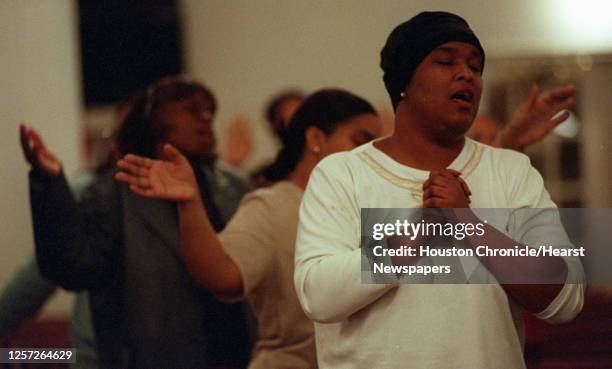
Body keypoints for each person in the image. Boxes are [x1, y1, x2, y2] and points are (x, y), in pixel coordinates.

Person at [292, 12, 584, 369]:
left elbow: (565, 295)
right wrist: (416, 232)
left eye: (476, 67)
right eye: (445, 61)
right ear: (404, 82)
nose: (466, 74)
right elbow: (317, 296)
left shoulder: (511, 171)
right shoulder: (343, 174)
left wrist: (467, 222)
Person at [115, 88, 383, 369]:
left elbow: (419, 279)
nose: (372, 156)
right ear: (316, 139)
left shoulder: (372, 208)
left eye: (378, 146)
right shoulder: (272, 206)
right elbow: (222, 276)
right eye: (362, 141)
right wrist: (190, 203)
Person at [20, 77, 252, 369]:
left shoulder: (231, 186)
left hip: (237, 356)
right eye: (193, 110)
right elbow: (73, 268)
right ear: (155, 120)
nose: (206, 119)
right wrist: (50, 183)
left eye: (209, 111)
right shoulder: (113, 192)